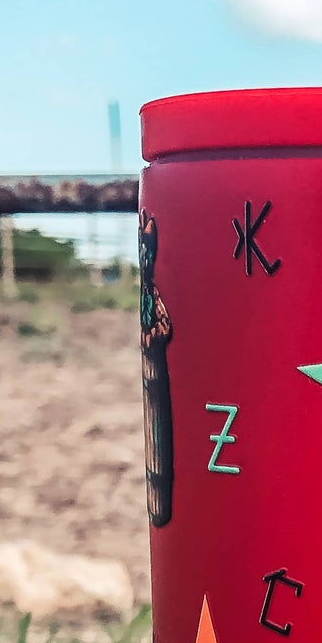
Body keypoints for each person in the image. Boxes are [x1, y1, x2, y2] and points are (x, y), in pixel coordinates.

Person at [139, 214, 174, 528]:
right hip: (155, 371)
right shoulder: (151, 291)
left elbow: (163, 326)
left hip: (156, 371)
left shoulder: (153, 295)